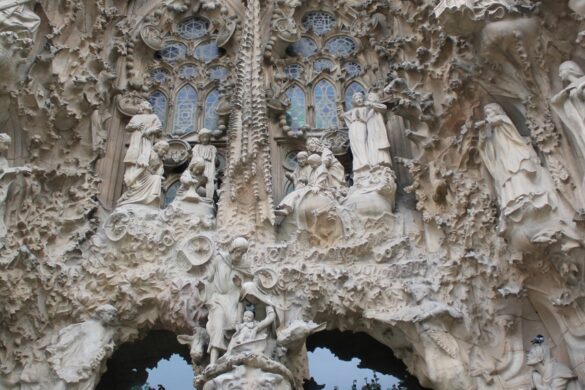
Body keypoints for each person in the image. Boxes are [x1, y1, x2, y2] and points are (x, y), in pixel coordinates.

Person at [204, 237, 252, 364]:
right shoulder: (219, 259)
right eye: (238, 251)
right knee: (218, 327)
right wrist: (202, 286)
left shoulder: (244, 266)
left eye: (243, 252)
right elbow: (209, 278)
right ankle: (212, 363)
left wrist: (240, 283)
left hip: (234, 302)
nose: (240, 255)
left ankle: (229, 361)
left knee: (234, 331)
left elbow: (249, 289)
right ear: (232, 249)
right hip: (218, 299)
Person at [47, 305, 118, 390]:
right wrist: (59, 348)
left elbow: (108, 353)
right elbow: (71, 337)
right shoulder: (88, 325)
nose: (111, 317)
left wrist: (107, 349)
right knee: (64, 383)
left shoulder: (109, 333)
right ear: (101, 314)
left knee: (86, 386)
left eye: (113, 316)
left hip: (93, 364)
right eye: (109, 314)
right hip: (78, 360)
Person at [118, 140, 169, 207]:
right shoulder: (149, 152)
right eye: (163, 150)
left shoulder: (160, 161)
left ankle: (153, 197)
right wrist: (143, 161)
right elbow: (141, 159)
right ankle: (127, 197)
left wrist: (159, 174)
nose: (164, 152)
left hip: (150, 176)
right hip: (142, 174)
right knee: (136, 187)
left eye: (165, 151)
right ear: (158, 147)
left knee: (157, 178)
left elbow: (159, 172)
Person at [343, 92, 370, 173]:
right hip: (353, 128)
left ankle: (365, 161)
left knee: (362, 143)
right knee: (355, 145)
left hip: (361, 126)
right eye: (357, 99)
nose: (359, 100)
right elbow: (343, 115)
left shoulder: (366, 109)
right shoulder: (352, 110)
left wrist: (360, 118)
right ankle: (358, 164)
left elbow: (369, 120)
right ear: (354, 101)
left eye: (360, 98)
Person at [365, 92, 392, 167]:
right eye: (368, 97)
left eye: (371, 96)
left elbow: (384, 108)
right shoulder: (369, 111)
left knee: (379, 145)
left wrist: (371, 104)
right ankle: (374, 162)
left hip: (378, 130)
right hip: (371, 133)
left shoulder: (378, 107)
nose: (368, 97)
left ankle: (383, 161)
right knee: (372, 145)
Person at [191, 128, 216, 200]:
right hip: (199, 165)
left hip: (209, 166)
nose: (205, 139)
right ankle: (192, 195)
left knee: (209, 181)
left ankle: (209, 198)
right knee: (197, 180)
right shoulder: (197, 147)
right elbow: (195, 157)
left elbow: (213, 159)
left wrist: (213, 171)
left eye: (207, 137)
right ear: (200, 138)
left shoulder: (212, 148)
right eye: (203, 137)